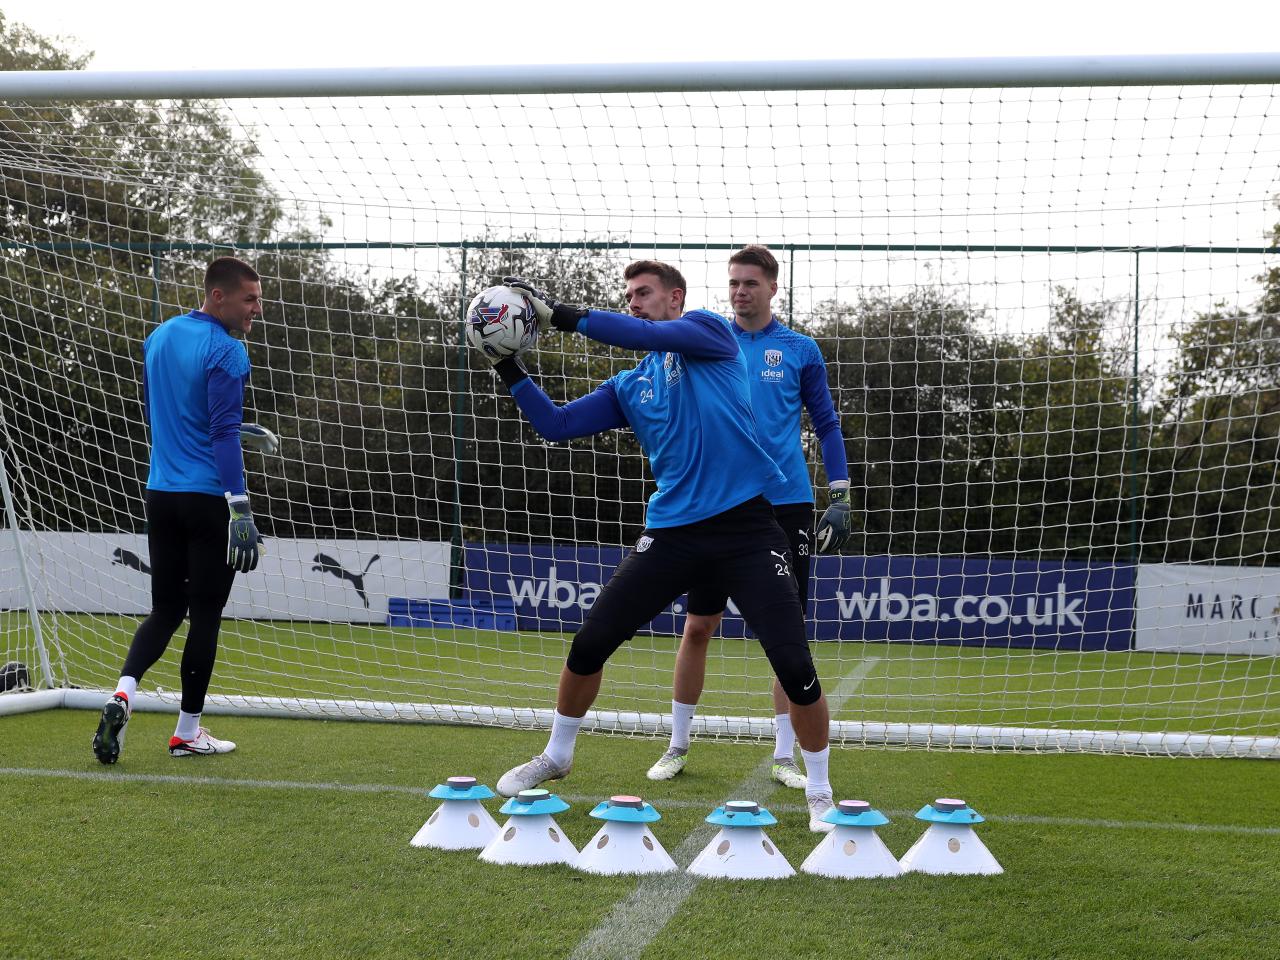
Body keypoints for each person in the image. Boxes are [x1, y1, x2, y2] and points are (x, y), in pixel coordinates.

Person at [486, 261, 838, 832]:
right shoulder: (630, 386)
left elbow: (642, 334)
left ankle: (820, 792)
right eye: (628, 294)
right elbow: (556, 425)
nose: (634, 301)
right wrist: (507, 364)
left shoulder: (709, 333)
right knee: (590, 642)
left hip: (747, 529)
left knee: (794, 663)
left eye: (644, 292)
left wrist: (559, 316)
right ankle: (556, 755)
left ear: (676, 298)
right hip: (672, 533)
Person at [646, 245, 850, 789]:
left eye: (751, 283)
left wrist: (841, 493)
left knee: (786, 637)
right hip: (719, 503)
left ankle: (785, 756)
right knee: (698, 625)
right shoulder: (709, 337)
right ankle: (677, 744)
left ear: (773, 288)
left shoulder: (800, 349)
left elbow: (826, 423)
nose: (740, 291)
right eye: (734, 282)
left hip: (786, 504)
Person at [92, 257, 275, 764]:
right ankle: (187, 732)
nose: (257, 309)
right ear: (218, 295)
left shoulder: (159, 337)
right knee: (206, 615)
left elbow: (166, 414)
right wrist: (240, 507)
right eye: (250, 299)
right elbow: (219, 432)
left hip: (161, 494)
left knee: (166, 609)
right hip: (208, 499)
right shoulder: (228, 350)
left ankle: (123, 693)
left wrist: (237, 430)